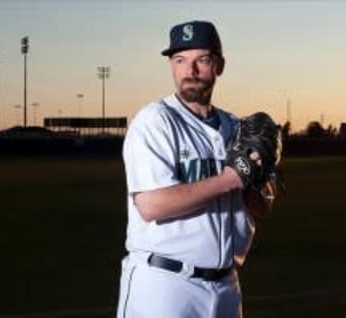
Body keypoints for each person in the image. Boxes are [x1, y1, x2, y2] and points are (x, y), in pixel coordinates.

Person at [116, 20, 271, 318]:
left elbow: (260, 208)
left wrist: (257, 181)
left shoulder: (237, 128)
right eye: (180, 60)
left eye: (202, 59)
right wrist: (231, 179)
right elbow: (151, 205)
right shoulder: (155, 121)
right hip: (164, 286)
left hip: (226, 285)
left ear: (219, 66)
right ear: (171, 67)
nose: (191, 70)